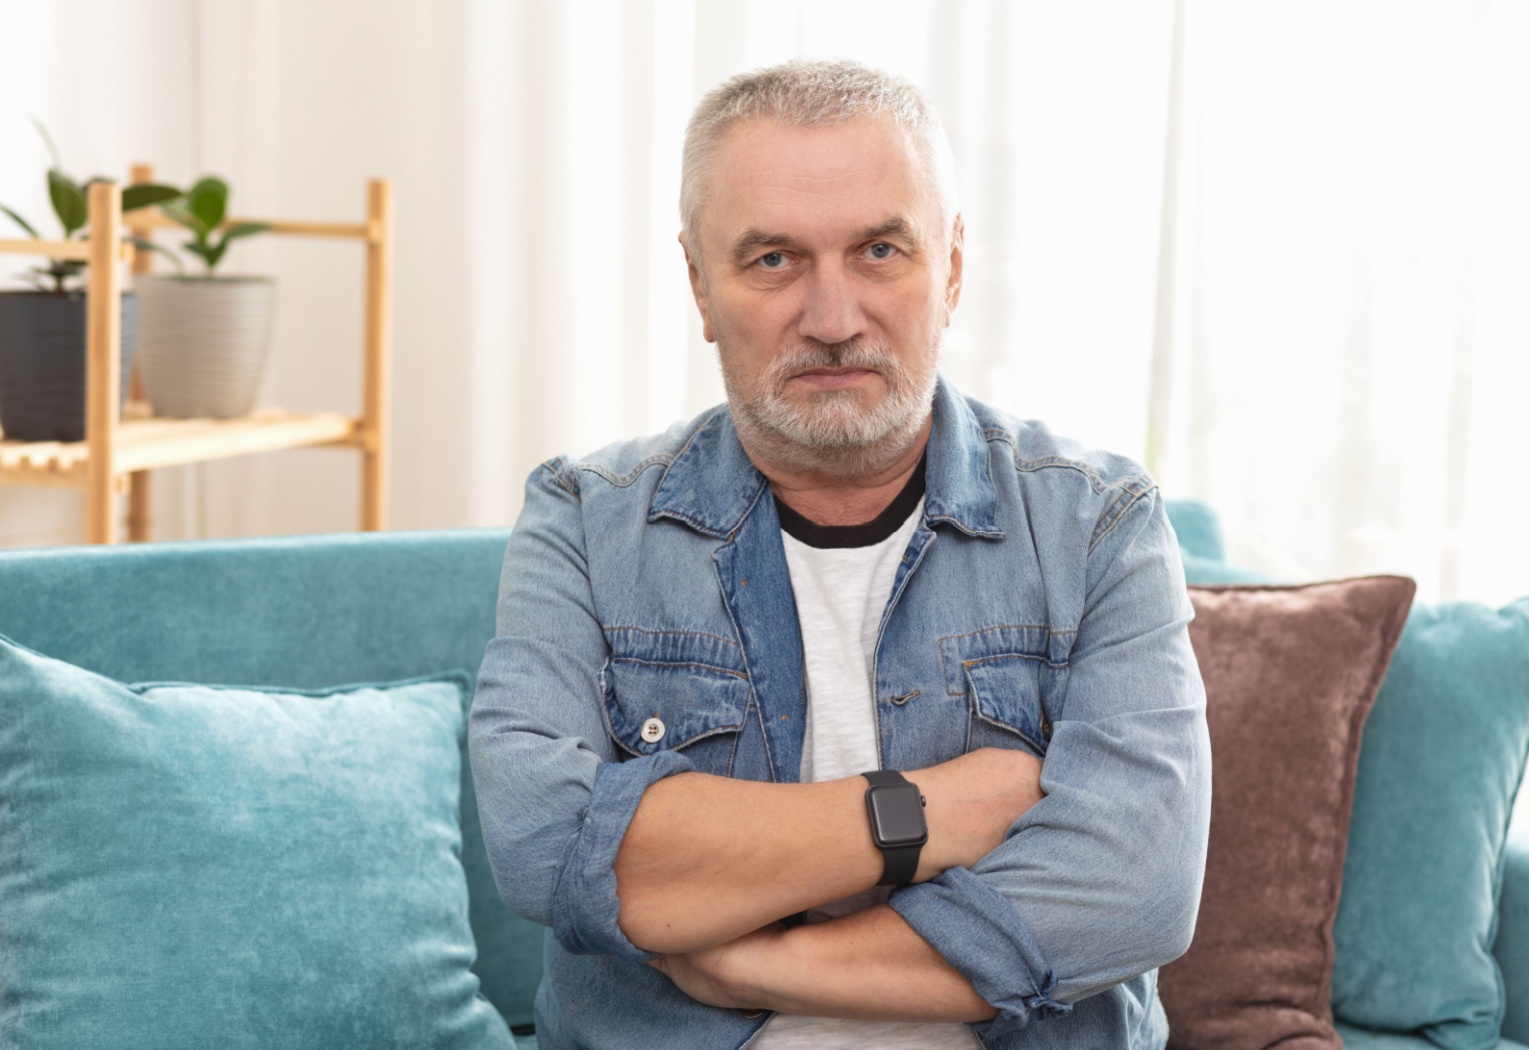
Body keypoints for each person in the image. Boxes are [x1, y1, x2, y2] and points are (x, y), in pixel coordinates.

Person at [470, 58, 1211, 1050]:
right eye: (772, 259)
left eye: (877, 251)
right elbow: (542, 844)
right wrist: (923, 813)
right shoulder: (581, 524)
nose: (831, 318)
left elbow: (1138, 887)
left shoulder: (1099, 524)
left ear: (949, 269)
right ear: (698, 283)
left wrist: (755, 964)